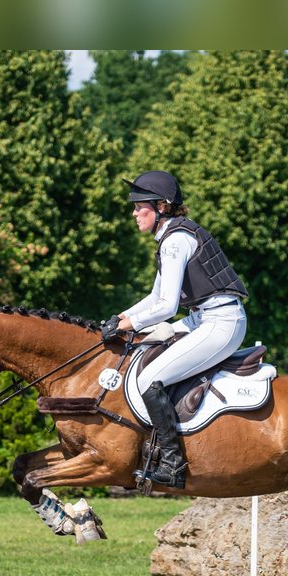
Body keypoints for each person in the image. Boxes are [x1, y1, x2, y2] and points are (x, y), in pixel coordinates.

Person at [100, 170, 248, 490]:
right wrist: (121, 316)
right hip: (203, 318)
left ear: (162, 207)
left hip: (220, 322)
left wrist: (127, 325)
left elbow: (166, 308)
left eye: (141, 207)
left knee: (149, 380)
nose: (134, 212)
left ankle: (172, 463)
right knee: (142, 351)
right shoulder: (170, 237)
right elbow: (155, 298)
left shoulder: (176, 240)